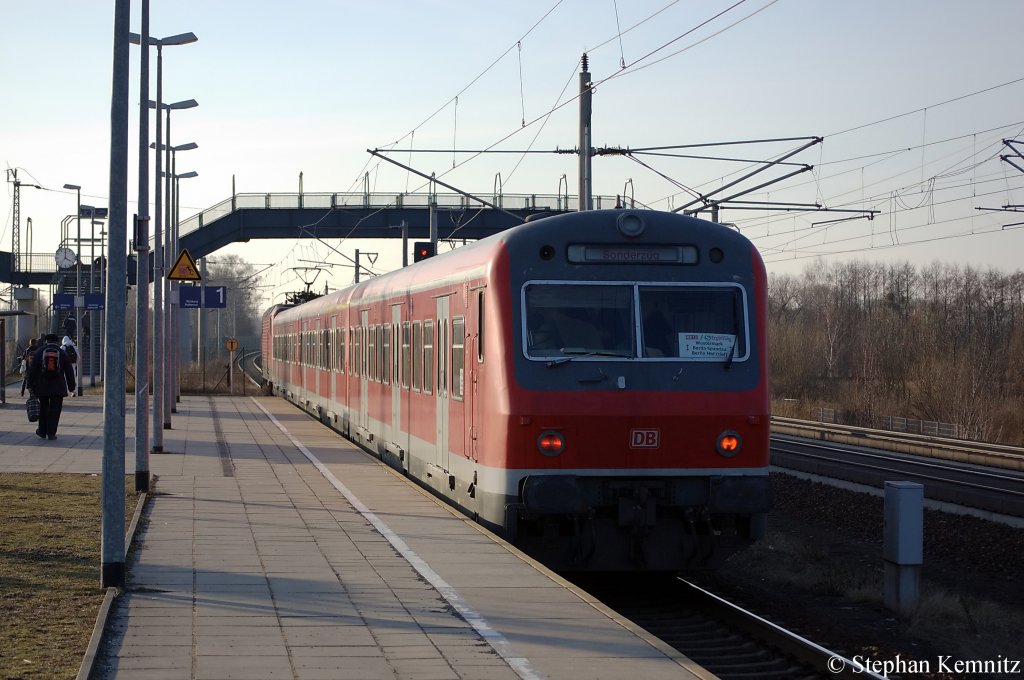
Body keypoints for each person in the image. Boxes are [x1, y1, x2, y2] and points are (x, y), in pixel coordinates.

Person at [26, 333, 76, 440]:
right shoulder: (62, 353)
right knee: (55, 410)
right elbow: (69, 371)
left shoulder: (39, 352)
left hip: (42, 387)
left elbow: (32, 370)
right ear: (57, 342)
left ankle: (42, 431)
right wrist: (72, 387)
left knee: (43, 408)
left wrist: (30, 384)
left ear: (46, 341)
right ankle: (51, 433)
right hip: (58, 387)